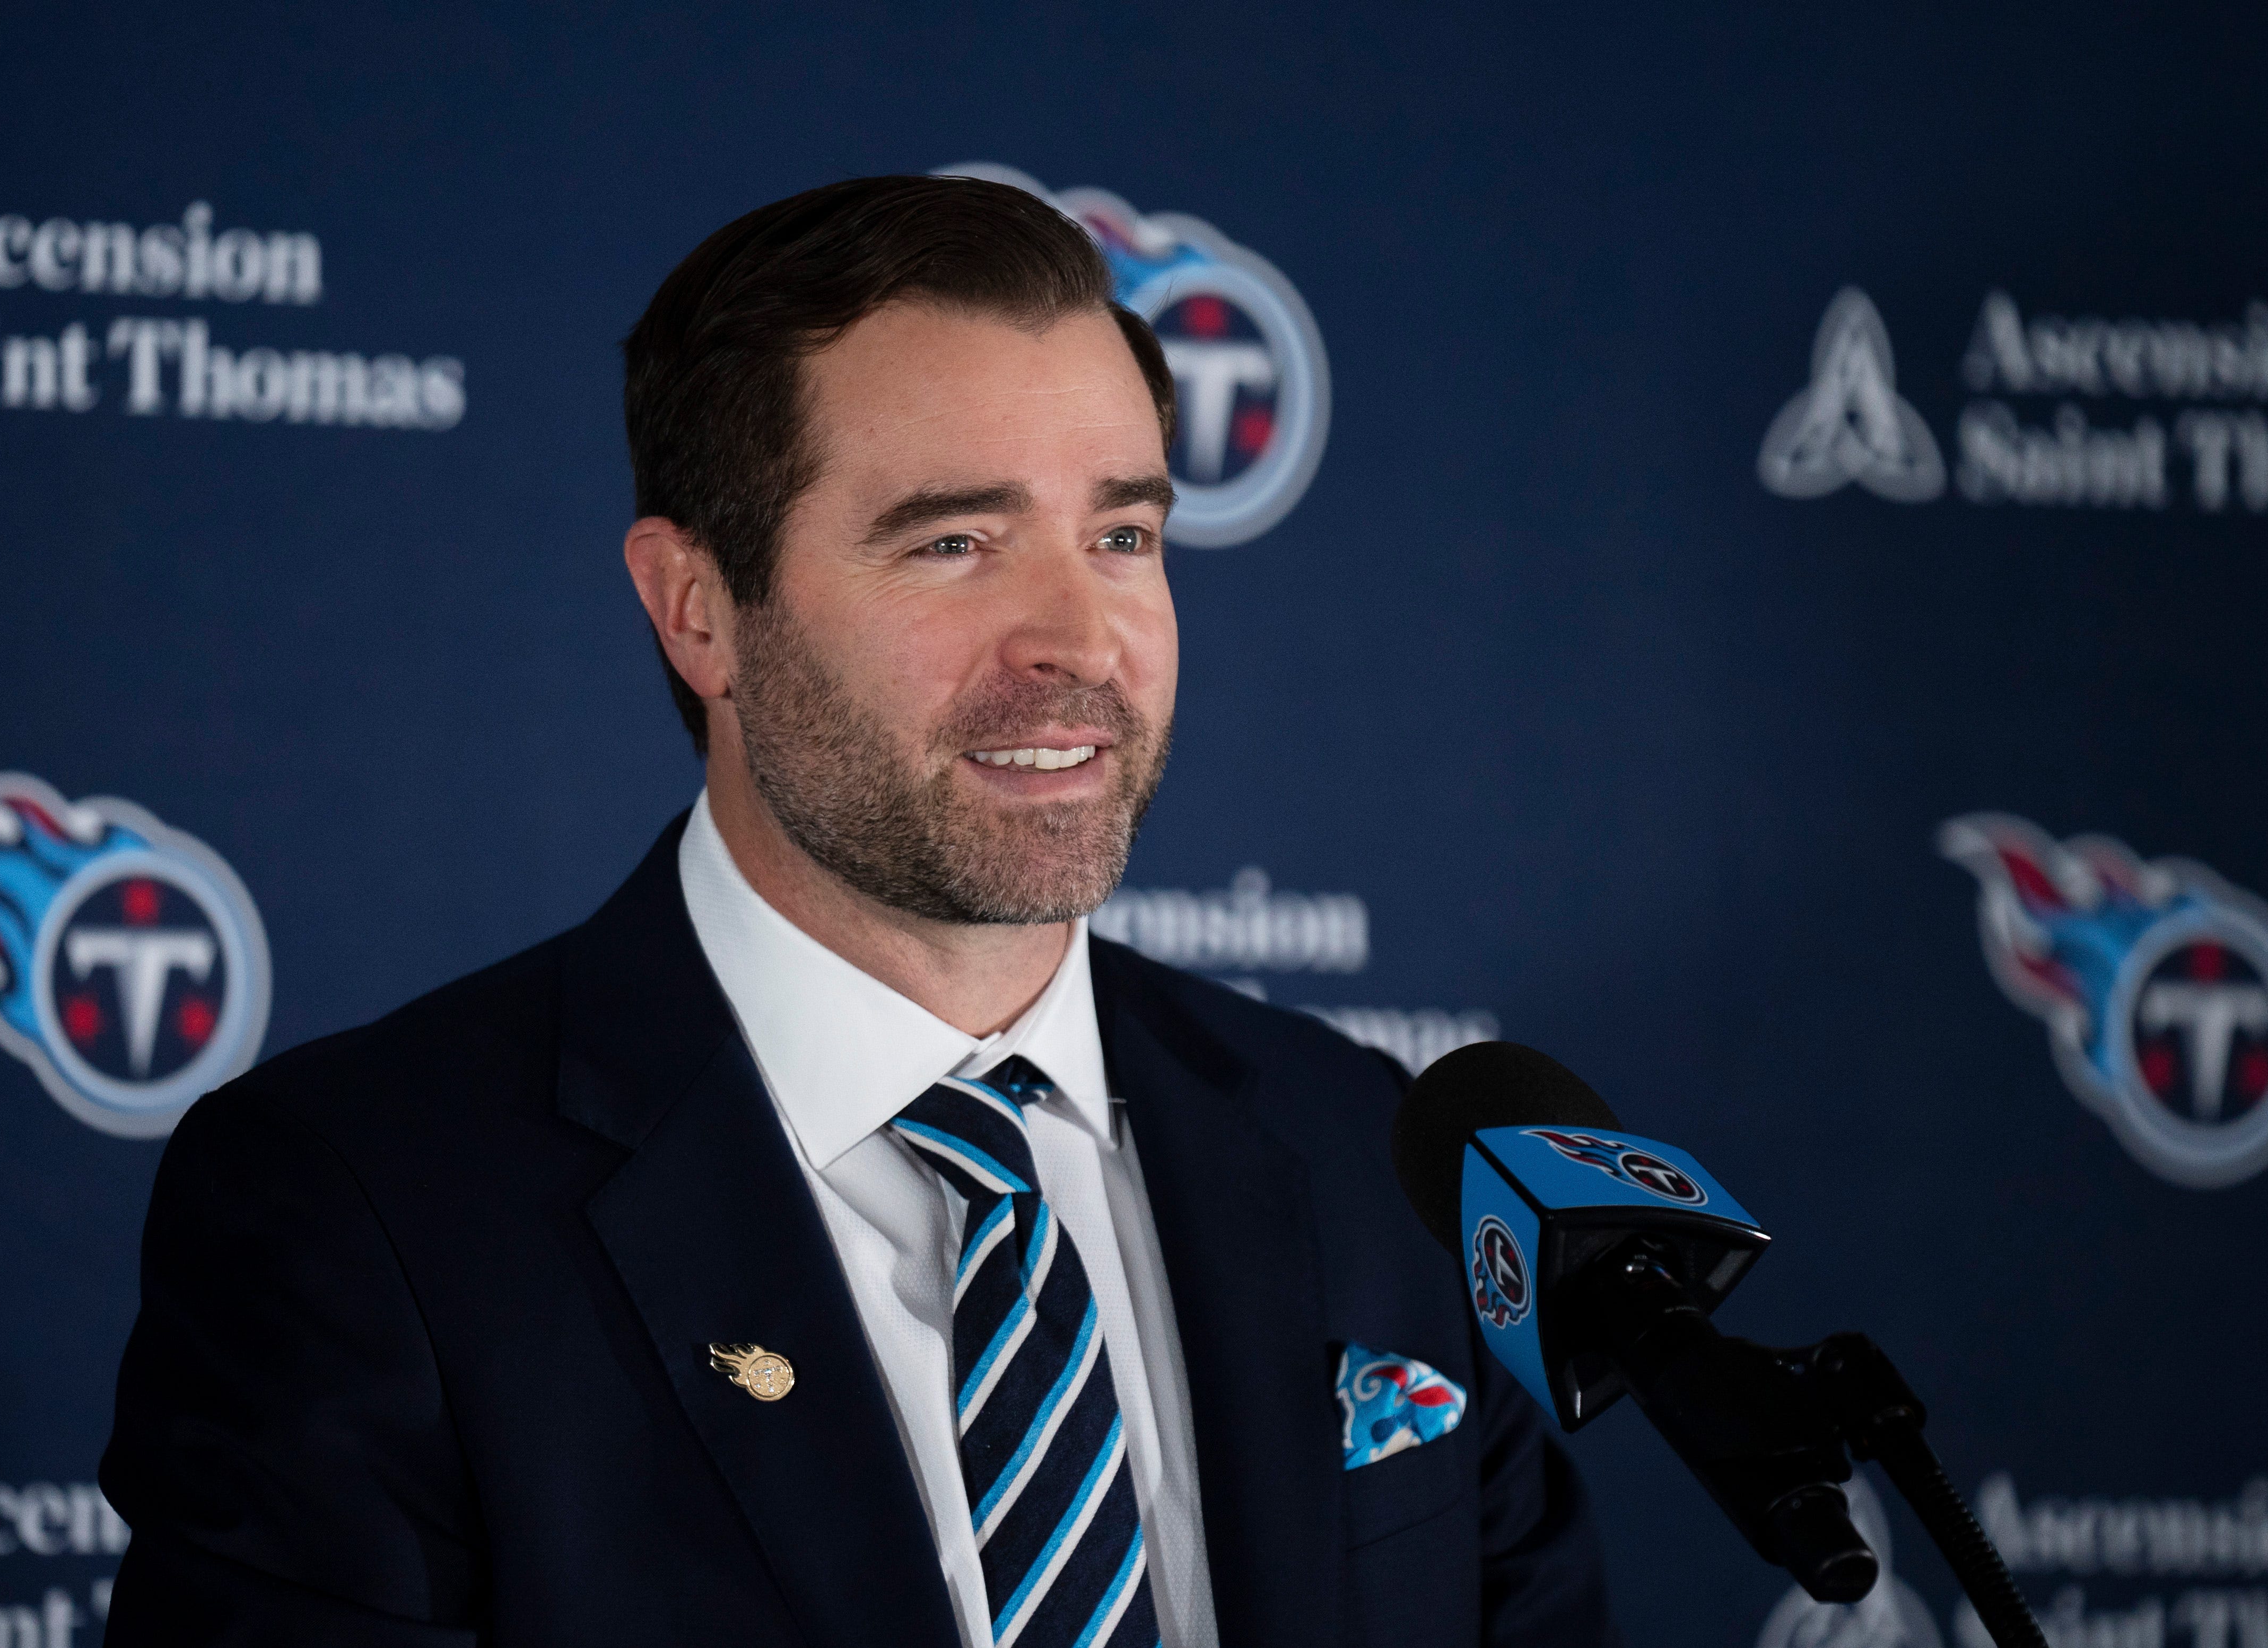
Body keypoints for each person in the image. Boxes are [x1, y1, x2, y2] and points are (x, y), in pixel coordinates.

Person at [99, 174, 1619, 1648]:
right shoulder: (366, 1207)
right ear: (698, 610)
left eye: (1123, 536)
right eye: (953, 543)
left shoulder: (1367, 1155)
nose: (1077, 639)